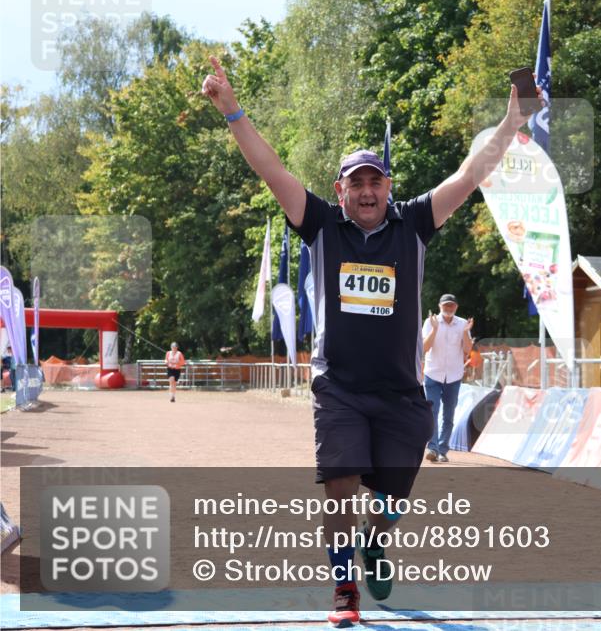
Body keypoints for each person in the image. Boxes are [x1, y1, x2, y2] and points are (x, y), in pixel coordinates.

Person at [201, 55, 540, 626]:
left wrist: (511, 123)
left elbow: (470, 174)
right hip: (340, 388)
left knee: (390, 500)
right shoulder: (320, 225)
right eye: (354, 182)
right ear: (340, 190)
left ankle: (375, 540)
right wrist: (232, 109)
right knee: (339, 483)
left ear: (387, 188)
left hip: (403, 393)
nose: (365, 191)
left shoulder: (414, 224)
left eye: (374, 181)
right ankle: (344, 589)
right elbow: (272, 171)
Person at [422, 294, 473, 463]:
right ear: (439, 306)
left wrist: (465, 332)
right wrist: (435, 329)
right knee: (432, 411)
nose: (448, 308)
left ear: (456, 307)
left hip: (454, 375)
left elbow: (467, 350)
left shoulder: (463, 324)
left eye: (451, 305)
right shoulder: (430, 322)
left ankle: (443, 449)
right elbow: (425, 348)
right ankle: (433, 448)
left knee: (449, 415)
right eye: (446, 305)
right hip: (433, 374)